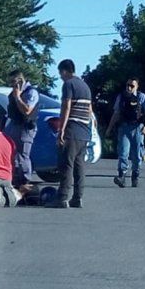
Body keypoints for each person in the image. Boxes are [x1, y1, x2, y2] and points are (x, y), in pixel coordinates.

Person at [46, 59, 93, 209]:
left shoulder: (68, 84)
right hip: (84, 131)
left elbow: (66, 106)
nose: (60, 76)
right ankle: (77, 198)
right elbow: (89, 110)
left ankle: (62, 198)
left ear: (65, 71)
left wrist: (61, 129)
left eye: (60, 73)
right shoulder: (85, 86)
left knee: (66, 165)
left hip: (72, 130)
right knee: (79, 167)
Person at [106, 77, 145, 188]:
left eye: (132, 86)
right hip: (124, 127)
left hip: (138, 128)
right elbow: (116, 113)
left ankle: (135, 174)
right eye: (128, 85)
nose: (129, 88)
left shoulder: (141, 97)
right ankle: (121, 176)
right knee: (123, 152)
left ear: (137, 87)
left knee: (137, 154)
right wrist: (109, 128)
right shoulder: (121, 97)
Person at [4, 70, 40, 190]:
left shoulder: (31, 92)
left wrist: (18, 97)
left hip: (25, 128)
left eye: (13, 82)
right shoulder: (14, 92)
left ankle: (25, 181)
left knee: (23, 155)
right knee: (12, 154)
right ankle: (14, 179)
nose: (11, 85)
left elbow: (27, 110)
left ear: (19, 80)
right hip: (14, 125)